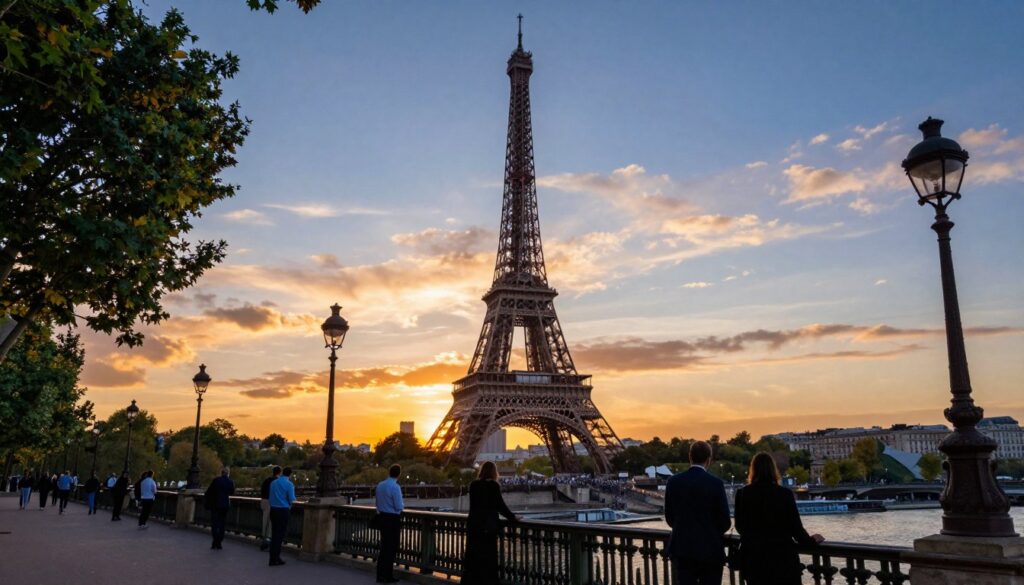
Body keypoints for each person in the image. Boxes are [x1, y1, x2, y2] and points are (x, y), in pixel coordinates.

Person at [734, 453, 825, 585]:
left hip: (754, 561)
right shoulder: (784, 494)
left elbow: (740, 527)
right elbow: (796, 529)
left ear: (752, 470)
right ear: (773, 469)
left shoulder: (742, 494)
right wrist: (812, 541)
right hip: (782, 560)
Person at [664, 441, 731, 585]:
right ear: (709, 459)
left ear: (690, 457)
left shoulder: (673, 482)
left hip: (682, 549)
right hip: (711, 550)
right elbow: (725, 521)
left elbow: (670, 518)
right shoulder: (716, 483)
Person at [462, 461, 517, 584]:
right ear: (494, 472)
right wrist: (513, 518)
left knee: (473, 558)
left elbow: (474, 507)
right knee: (488, 558)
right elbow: (500, 506)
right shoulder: (494, 486)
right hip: (488, 528)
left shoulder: (473, 485)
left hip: (474, 527)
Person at [375, 464, 404, 584]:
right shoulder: (395, 487)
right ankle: (388, 575)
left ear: (389, 472)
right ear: (399, 474)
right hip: (392, 519)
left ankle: (380, 575)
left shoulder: (380, 485)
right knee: (391, 548)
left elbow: (377, 503)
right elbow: (399, 506)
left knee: (384, 548)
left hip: (382, 518)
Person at [268, 466, 296, 567]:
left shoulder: (273, 483)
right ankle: (276, 557)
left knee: (274, 534)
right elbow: (292, 499)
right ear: (290, 474)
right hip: (283, 510)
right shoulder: (289, 484)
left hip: (273, 510)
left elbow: (270, 497)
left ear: (282, 473)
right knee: (280, 535)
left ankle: (272, 557)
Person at [205, 466, 236, 550]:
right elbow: (232, 492)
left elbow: (209, 492)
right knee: (222, 523)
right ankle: (219, 542)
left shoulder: (216, 481)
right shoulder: (230, 482)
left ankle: (215, 540)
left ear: (221, 473)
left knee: (215, 523)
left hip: (215, 505)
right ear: (228, 473)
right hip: (225, 505)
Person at [259, 466, 282, 551]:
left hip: (264, 501)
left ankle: (264, 539)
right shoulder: (276, 481)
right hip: (272, 502)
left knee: (265, 521)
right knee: (271, 524)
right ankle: (268, 540)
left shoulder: (267, 480)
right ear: (279, 473)